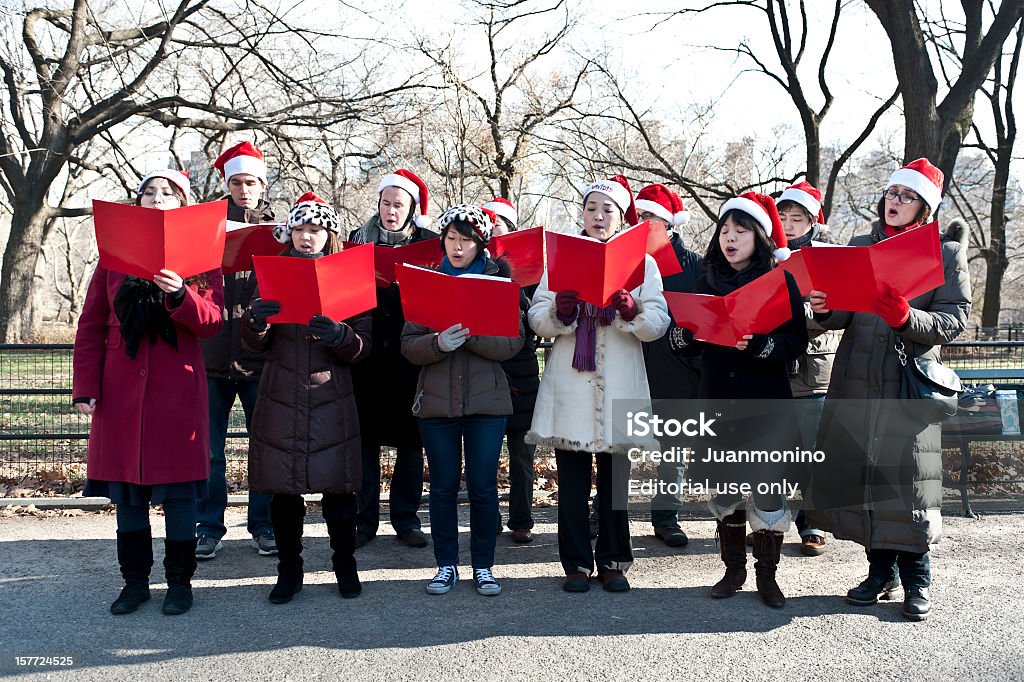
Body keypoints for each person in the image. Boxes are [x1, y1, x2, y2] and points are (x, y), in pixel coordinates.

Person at [807, 158, 971, 621]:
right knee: (865, 479)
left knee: (910, 484)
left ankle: (918, 579)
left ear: (925, 207)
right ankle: (880, 573)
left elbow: (954, 320)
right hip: (856, 381)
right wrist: (823, 307)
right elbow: (843, 316)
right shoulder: (860, 246)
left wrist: (906, 319)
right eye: (892, 194)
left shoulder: (944, 252)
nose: (894, 202)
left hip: (908, 386)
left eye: (907, 196)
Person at [73, 169, 224, 616]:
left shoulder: (202, 257)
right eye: (149, 192)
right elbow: (91, 325)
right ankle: (134, 584)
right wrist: (86, 387)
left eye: (168, 193)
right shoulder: (113, 256)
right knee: (129, 497)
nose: (157, 198)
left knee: (179, 495)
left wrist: (181, 293)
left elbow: (212, 323)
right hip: (120, 393)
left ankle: (180, 584)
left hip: (177, 392)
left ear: (182, 203)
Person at [527, 175, 670, 593]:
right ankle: (575, 564)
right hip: (571, 384)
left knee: (615, 484)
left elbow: (658, 323)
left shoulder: (643, 263)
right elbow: (536, 318)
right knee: (571, 483)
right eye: (591, 208)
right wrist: (559, 310)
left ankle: (613, 561)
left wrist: (632, 308)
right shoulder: (560, 259)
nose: (598, 216)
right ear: (582, 214)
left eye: (607, 210)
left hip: (620, 384)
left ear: (620, 217)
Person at [668, 192, 807, 608]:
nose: (730, 239)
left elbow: (795, 341)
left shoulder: (781, 281)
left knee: (767, 492)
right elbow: (684, 340)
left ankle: (768, 576)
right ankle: (733, 570)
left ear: (759, 238)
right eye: (724, 231)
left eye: (740, 231)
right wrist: (684, 337)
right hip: (717, 400)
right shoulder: (705, 280)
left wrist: (764, 345)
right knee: (725, 491)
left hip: (765, 403)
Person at [242, 192, 372, 604]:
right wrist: (256, 323)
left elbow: (364, 347)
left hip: (332, 396)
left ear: (329, 234)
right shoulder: (271, 273)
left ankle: (344, 566)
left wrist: (341, 336)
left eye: (315, 230)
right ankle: (289, 571)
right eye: (299, 229)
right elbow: (253, 345)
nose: (306, 237)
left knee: (339, 489)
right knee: (284, 490)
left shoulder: (350, 273)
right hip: (281, 394)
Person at [400, 204, 525, 596]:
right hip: (437, 403)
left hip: (487, 405)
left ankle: (484, 565)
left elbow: (512, 342)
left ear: (480, 244)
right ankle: (446, 564)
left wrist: (471, 336)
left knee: (484, 488)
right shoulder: (430, 280)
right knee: (441, 487)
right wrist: (437, 343)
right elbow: (407, 345)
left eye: (465, 240)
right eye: (451, 239)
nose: (457, 247)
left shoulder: (499, 281)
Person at [195, 141, 278, 560]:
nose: (245, 189)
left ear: (263, 184)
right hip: (210, 358)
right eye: (237, 182)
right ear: (227, 184)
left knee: (263, 445)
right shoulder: (205, 228)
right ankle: (208, 525)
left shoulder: (278, 232)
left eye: (252, 182)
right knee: (210, 451)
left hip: (258, 360)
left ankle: (263, 524)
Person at [348, 169, 438, 549]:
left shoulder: (430, 244)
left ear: (412, 209)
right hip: (366, 357)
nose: (390, 211)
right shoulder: (356, 240)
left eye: (399, 205)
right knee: (364, 443)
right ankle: (363, 521)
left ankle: (406, 518)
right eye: (386, 203)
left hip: (408, 358)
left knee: (410, 443)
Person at [634, 183, 704, 548]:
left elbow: (703, 317)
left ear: (670, 223)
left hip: (676, 368)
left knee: (673, 449)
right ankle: (603, 512)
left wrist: (685, 340)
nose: (644, 223)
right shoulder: (625, 259)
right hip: (630, 363)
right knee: (616, 443)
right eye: (640, 216)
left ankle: (666, 515)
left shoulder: (693, 264)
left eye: (652, 217)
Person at [774, 181, 842, 557]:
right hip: (773, 365)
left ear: (813, 221)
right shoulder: (768, 254)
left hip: (814, 367)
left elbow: (838, 312)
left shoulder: (826, 256)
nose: (788, 224)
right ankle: (772, 519)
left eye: (797, 218)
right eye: (782, 217)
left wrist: (794, 313)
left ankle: (812, 523)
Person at [483, 197, 541, 544]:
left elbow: (538, 322)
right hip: (486, 373)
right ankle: (489, 517)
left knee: (522, 456)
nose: (493, 233)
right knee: (486, 455)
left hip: (522, 373)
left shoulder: (531, 273)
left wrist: (519, 296)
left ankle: (522, 520)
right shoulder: (475, 269)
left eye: (499, 226)